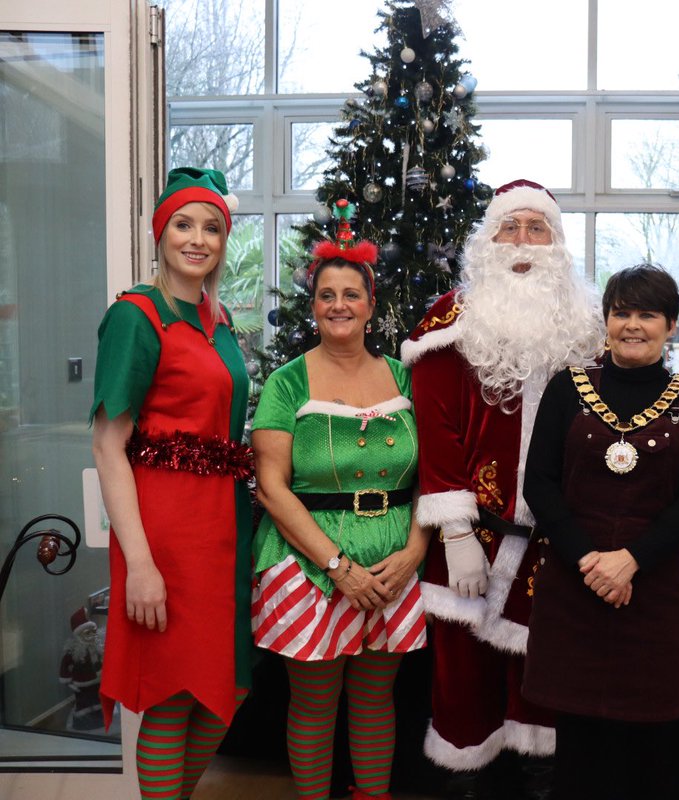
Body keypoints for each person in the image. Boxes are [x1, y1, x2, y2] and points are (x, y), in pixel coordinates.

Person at [401, 179, 605, 797]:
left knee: (543, 690)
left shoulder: (587, 323)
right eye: (508, 228)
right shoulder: (448, 321)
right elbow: (434, 430)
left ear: (557, 241)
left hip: (556, 544)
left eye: (536, 228)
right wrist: (456, 530)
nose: (522, 242)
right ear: (486, 242)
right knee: (464, 685)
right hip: (469, 536)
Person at [251, 203, 429, 800]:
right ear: (314, 305)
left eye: (351, 294)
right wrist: (337, 566)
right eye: (326, 295)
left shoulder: (404, 381)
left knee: (378, 697)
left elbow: (434, 475)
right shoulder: (288, 383)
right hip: (309, 562)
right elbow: (271, 485)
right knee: (315, 701)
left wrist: (414, 551)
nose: (339, 305)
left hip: (393, 560)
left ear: (370, 304)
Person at [521, 264, 679, 799]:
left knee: (649, 742)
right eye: (621, 312)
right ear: (606, 320)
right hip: (573, 580)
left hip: (654, 586)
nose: (633, 325)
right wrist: (590, 560)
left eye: (648, 314)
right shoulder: (567, 389)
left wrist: (630, 560)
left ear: (671, 325)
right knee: (578, 738)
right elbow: (539, 484)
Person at [91, 167, 253, 800]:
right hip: (163, 534)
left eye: (212, 227)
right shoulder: (137, 316)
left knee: (223, 692)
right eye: (183, 224)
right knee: (167, 695)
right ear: (159, 234)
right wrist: (140, 563)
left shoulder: (221, 320)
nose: (198, 239)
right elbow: (108, 444)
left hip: (222, 531)